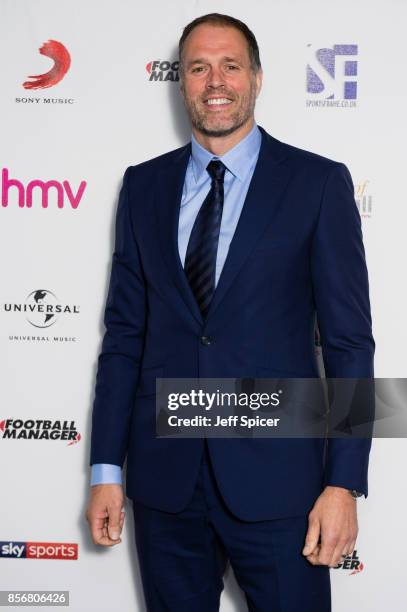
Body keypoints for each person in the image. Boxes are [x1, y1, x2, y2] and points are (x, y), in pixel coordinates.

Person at [86, 13, 374, 612]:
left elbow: (349, 343)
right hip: (167, 486)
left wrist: (343, 481)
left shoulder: (317, 184)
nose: (215, 81)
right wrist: (105, 469)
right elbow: (123, 338)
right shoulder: (143, 187)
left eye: (230, 65)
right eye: (198, 67)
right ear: (182, 82)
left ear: (257, 78)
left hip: (280, 484)